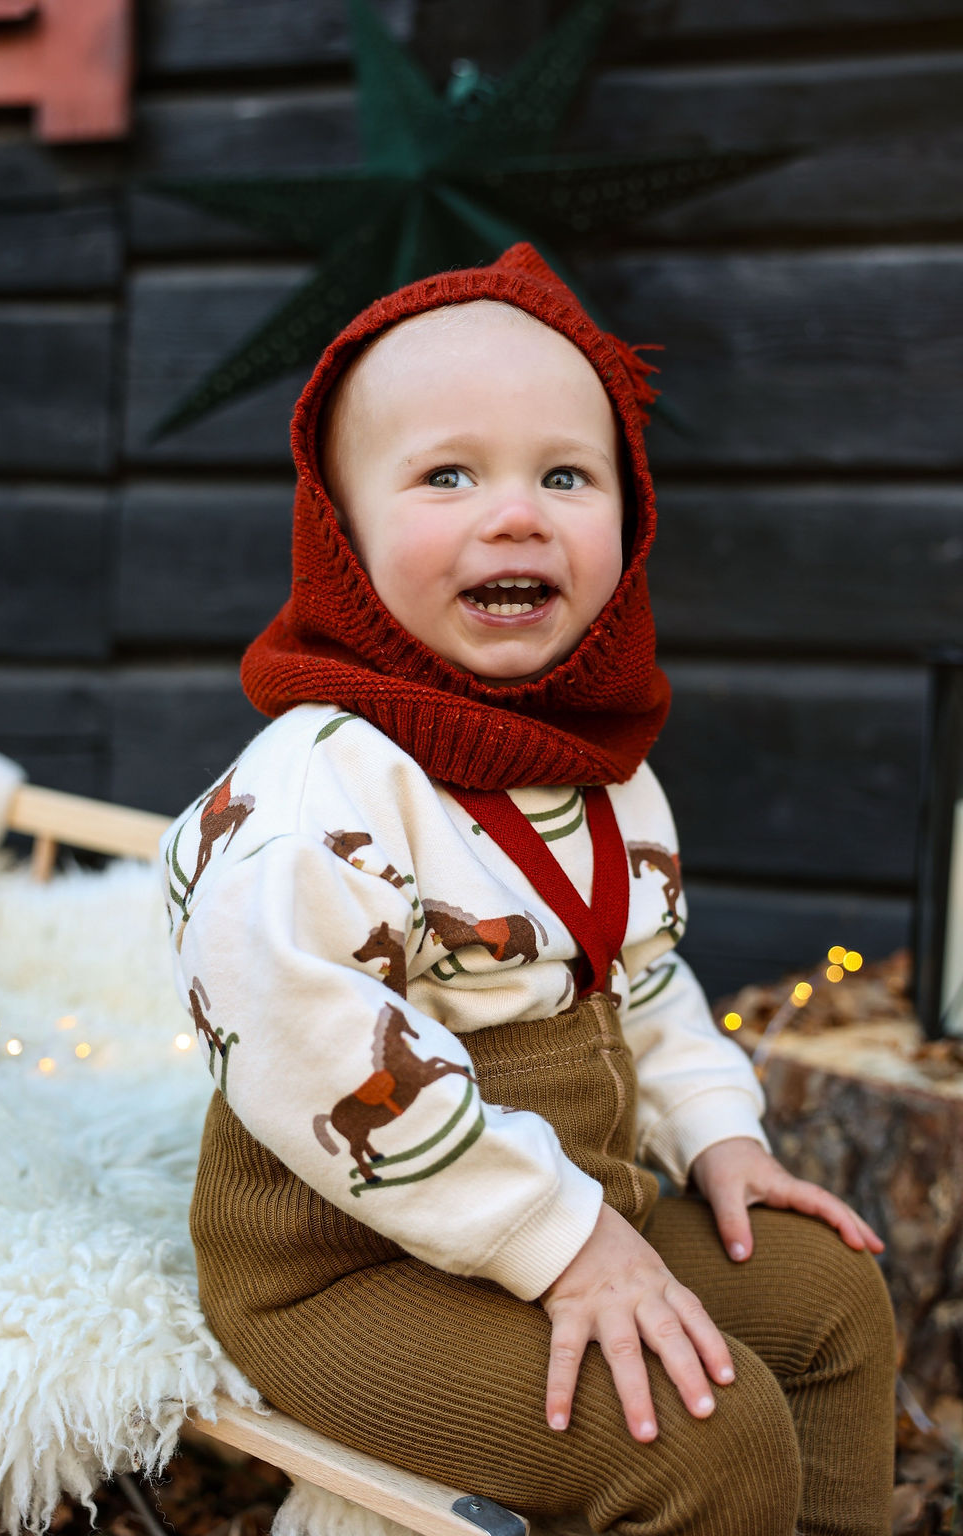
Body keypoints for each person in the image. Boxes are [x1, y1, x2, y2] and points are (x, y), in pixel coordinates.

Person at [161, 244, 896, 1535]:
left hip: (572, 1205)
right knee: (701, 1443)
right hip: (351, 1272)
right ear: (342, 531)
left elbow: (644, 976)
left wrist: (719, 1136)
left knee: (827, 1299)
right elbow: (312, 1044)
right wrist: (560, 1244)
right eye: (448, 474)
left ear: (631, 515)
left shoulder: (604, 771)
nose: (517, 514)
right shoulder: (318, 786)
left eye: (567, 474)